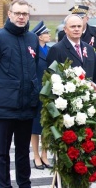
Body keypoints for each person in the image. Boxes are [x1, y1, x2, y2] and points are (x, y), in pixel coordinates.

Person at [0, 0, 39, 188]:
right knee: (2, 152)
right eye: (18, 13)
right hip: (5, 107)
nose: (21, 17)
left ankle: (24, 184)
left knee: (23, 151)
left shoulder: (32, 39)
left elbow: (33, 68)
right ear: (9, 14)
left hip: (27, 106)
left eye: (25, 14)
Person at [47, 14, 96, 82]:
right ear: (65, 29)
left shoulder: (89, 49)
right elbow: (52, 77)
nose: (76, 29)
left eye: (79, 26)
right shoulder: (57, 49)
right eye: (73, 26)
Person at [30, 21, 53, 170]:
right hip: (36, 93)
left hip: (49, 93)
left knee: (46, 126)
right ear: (39, 36)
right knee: (35, 127)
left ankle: (45, 154)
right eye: (46, 33)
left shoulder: (51, 50)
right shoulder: (33, 51)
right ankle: (36, 156)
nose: (49, 35)